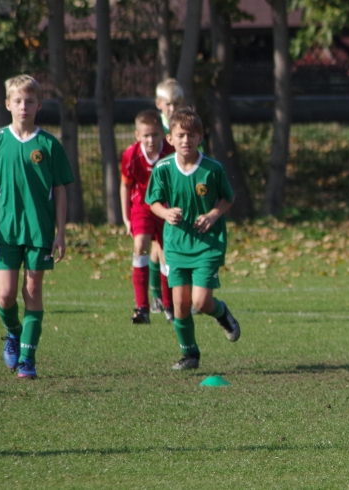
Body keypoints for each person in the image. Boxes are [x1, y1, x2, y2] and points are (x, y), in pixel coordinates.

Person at [0, 74, 74, 379]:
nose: (23, 106)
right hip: (5, 230)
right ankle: (13, 333)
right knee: (5, 297)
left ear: (39, 105)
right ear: (7, 104)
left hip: (39, 231)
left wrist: (61, 232)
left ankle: (28, 360)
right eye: (17, 101)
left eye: (29, 101)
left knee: (33, 291)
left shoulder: (48, 144)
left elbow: (60, 189)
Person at [145, 108, 240, 370]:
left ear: (200, 138)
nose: (186, 140)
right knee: (180, 304)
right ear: (170, 139)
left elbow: (227, 198)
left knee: (201, 302)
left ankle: (222, 314)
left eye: (191, 135)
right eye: (180, 135)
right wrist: (165, 212)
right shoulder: (163, 168)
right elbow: (152, 201)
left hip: (207, 243)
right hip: (176, 244)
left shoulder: (212, 169)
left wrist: (212, 214)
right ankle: (190, 355)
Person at [120, 110, 175, 323]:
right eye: (146, 135)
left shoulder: (171, 153)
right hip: (141, 208)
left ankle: (168, 305)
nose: (150, 140)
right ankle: (142, 308)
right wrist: (126, 218)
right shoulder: (131, 155)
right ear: (137, 135)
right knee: (141, 244)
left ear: (163, 134)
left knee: (166, 255)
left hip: (165, 209)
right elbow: (125, 186)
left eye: (154, 135)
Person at [146, 78, 186, 314]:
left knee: (164, 247)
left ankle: (170, 297)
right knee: (158, 248)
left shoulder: (184, 125)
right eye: (168, 104)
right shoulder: (155, 128)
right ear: (159, 104)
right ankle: (157, 297)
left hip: (178, 194)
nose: (172, 109)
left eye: (177, 104)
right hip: (157, 197)